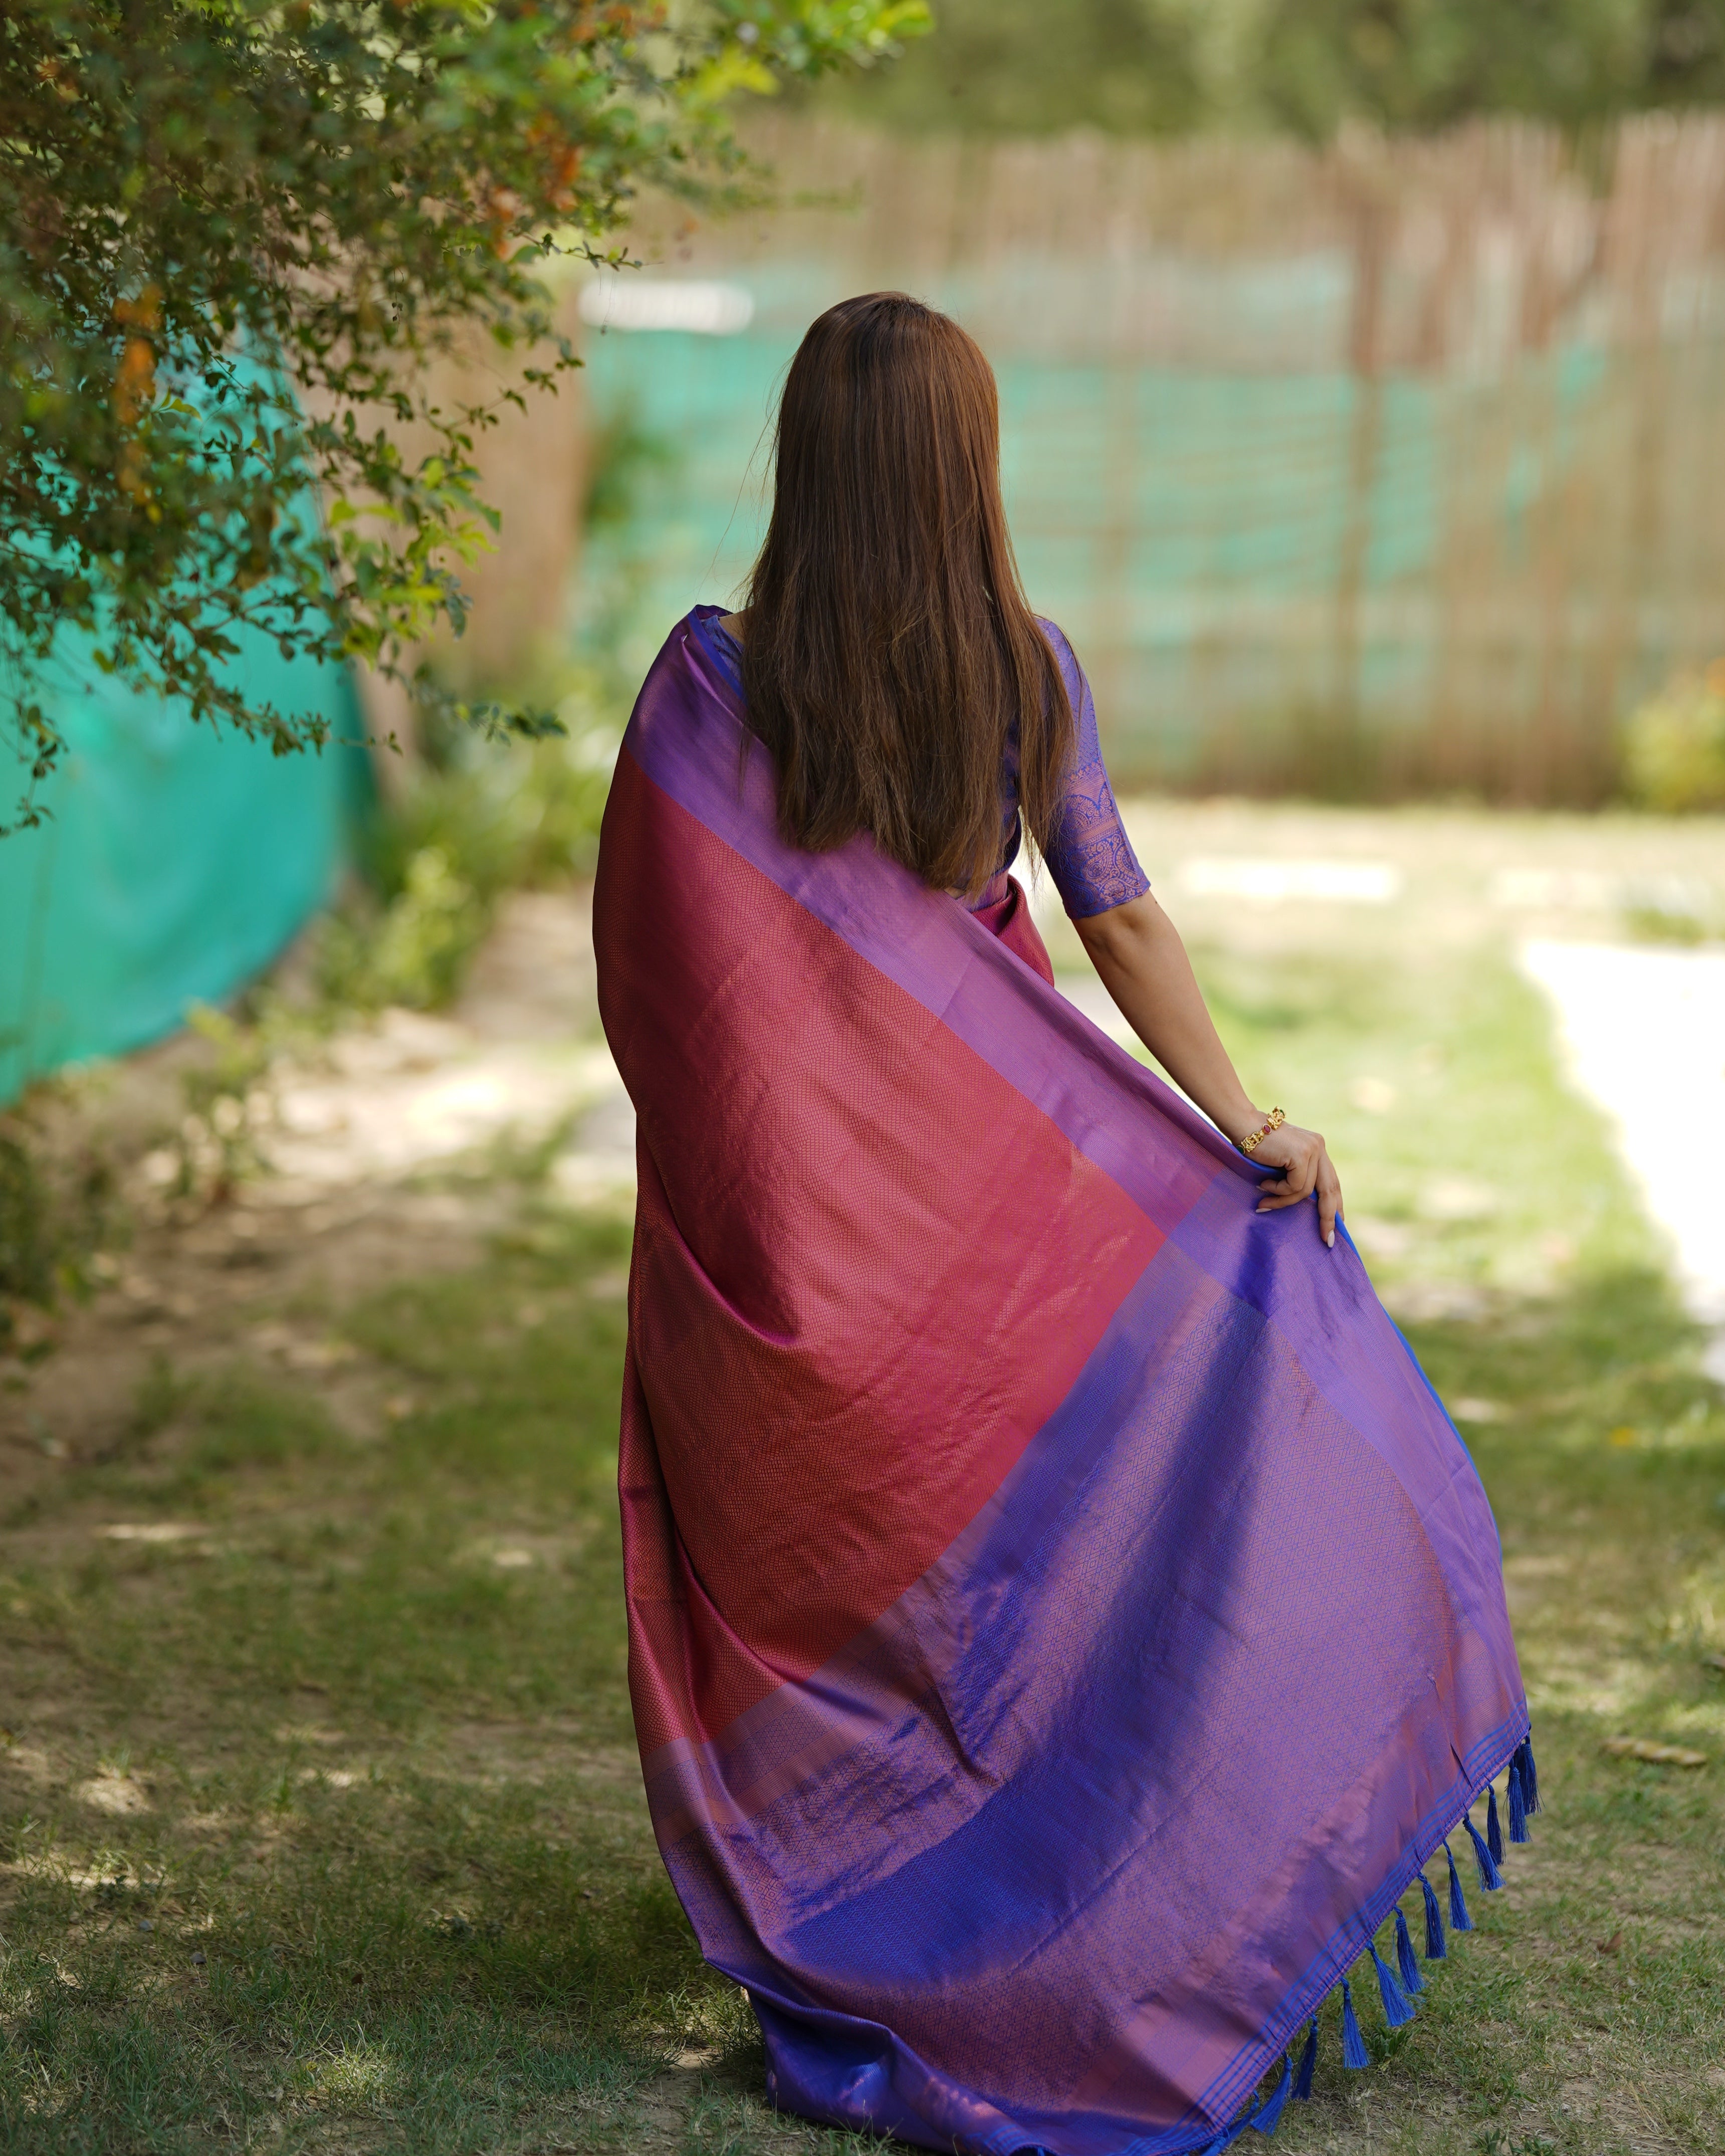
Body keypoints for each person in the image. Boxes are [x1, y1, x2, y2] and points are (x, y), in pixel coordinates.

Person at [594, 293, 1531, 2156]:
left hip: (793, 1251)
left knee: (849, 1585)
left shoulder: (713, 684)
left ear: (805, 464)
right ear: (967, 464)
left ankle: (877, 1914)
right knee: (1018, 1583)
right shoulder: (1022, 675)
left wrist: (780, 1196)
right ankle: (1057, 1903)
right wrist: (1245, 1124)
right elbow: (1119, 921)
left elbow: (672, 987)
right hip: (995, 1240)